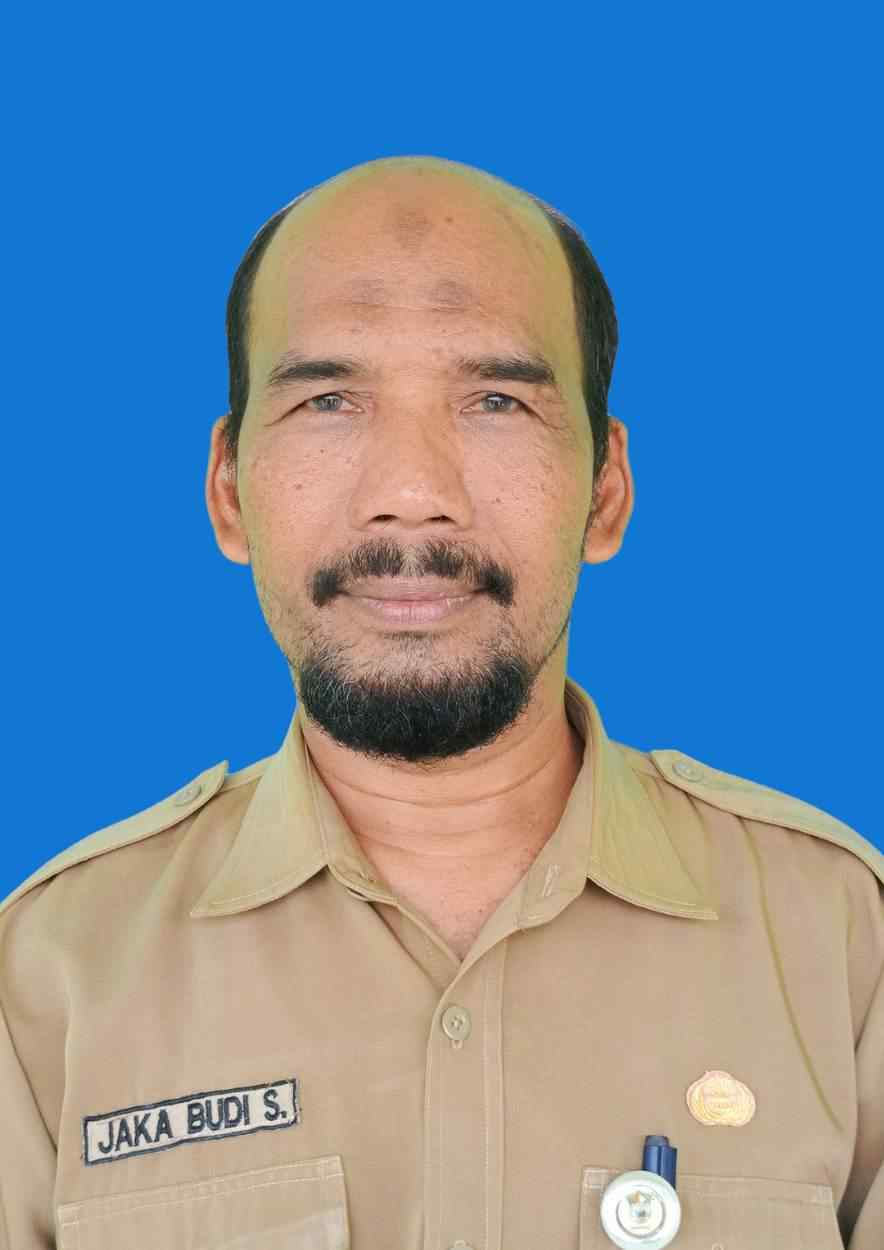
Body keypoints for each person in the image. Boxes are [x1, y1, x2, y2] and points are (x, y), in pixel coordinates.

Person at [1, 155, 881, 1250]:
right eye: (328, 400)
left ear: (605, 491)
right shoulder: (46, 979)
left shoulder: (844, 946)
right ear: (228, 491)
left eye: (495, 401)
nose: (412, 493)